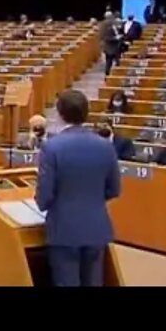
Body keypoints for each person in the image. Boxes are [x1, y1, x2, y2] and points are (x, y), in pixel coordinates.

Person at [34, 90, 122, 287]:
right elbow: (114, 189)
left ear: (59, 113)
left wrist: (47, 204)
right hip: (96, 228)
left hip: (64, 230)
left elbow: (45, 196)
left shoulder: (52, 147)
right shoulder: (105, 146)